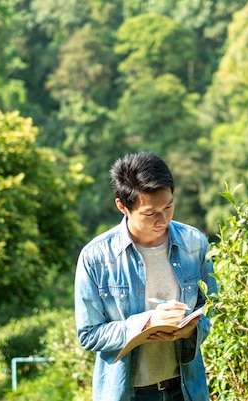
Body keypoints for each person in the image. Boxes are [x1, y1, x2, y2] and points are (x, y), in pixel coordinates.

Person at [75, 151, 218, 401]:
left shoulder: (194, 243)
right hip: (127, 393)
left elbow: (212, 308)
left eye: (169, 207)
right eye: (151, 213)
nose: (163, 220)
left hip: (185, 389)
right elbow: (89, 334)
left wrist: (191, 330)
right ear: (123, 206)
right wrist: (145, 323)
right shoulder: (96, 257)